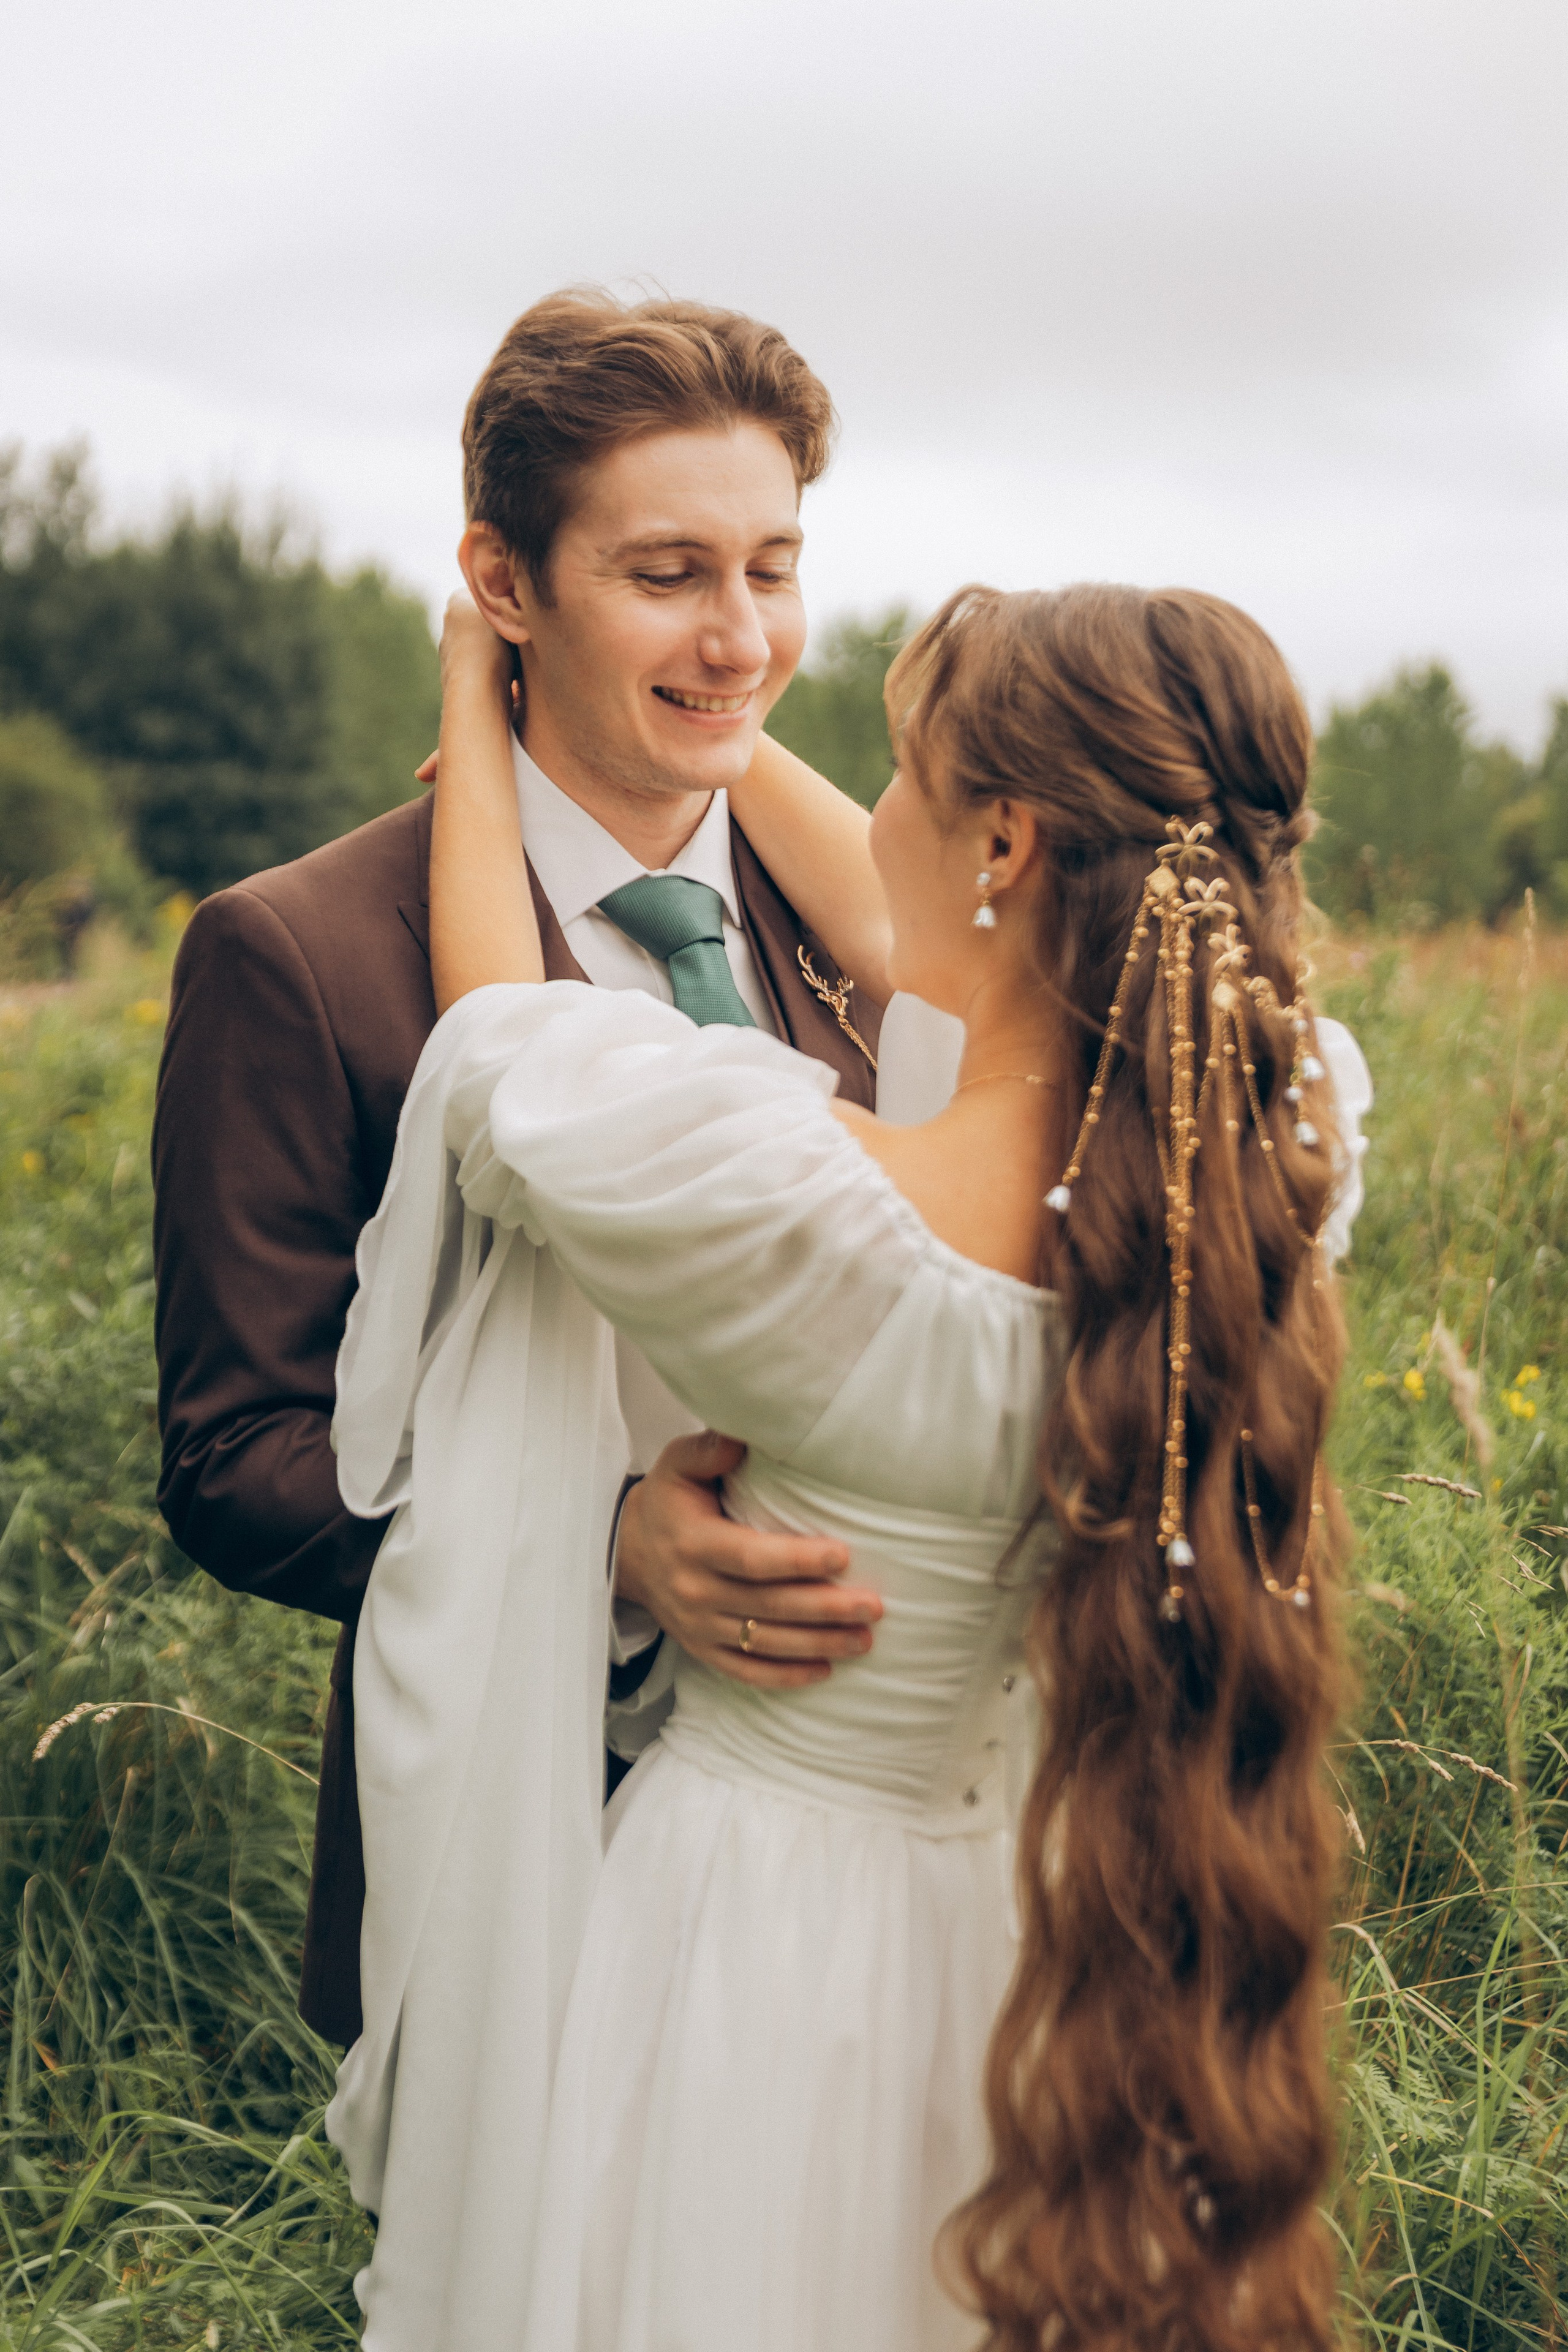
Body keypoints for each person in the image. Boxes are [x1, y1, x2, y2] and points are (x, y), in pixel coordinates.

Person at [329, 580, 1371, 2349]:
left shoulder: (819, 1224)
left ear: (1008, 843)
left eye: (905, 775)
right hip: (1045, 1936)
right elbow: (1008, 950)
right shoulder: (1274, 1162)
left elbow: (504, 1054)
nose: (866, 814)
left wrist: (482, 695)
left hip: (762, 1943)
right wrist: (741, 732)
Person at [151, 290, 919, 2051]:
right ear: (505, 586)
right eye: (668, 575)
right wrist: (606, 1553)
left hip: (883, 1833)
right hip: (514, 1849)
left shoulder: (911, 923)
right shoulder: (298, 955)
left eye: (774, 567)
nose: (741, 640)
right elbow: (238, 1456)